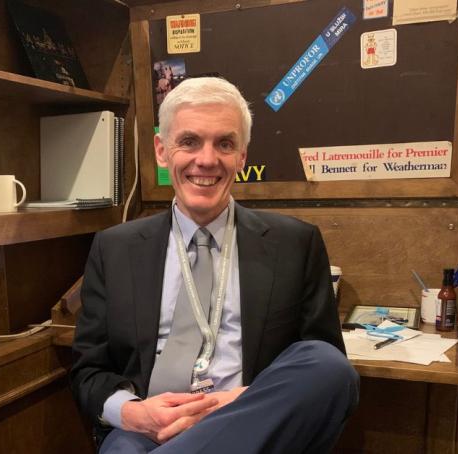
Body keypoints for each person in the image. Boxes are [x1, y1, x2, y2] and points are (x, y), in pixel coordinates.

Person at [71, 77, 359, 453]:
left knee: (328, 365)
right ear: (161, 150)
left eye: (224, 143)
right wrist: (132, 413)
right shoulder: (115, 248)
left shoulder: (295, 244)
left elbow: (322, 376)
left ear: (242, 156)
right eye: (189, 141)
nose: (206, 160)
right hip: (146, 430)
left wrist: (235, 403)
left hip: (246, 422)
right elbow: (87, 372)